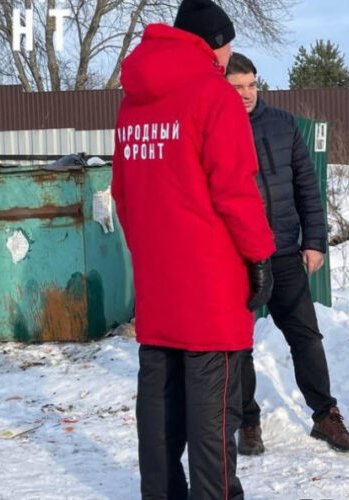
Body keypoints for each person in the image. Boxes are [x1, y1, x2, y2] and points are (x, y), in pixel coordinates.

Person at [112, 0, 275, 498]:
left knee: (159, 404)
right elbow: (235, 190)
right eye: (226, 46)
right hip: (210, 284)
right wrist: (259, 256)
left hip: (159, 281)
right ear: (213, 43)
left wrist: (150, 253)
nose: (229, 58)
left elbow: (122, 191)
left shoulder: (134, 101)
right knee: (212, 412)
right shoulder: (213, 95)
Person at [225, 53, 349, 455]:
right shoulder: (213, 126)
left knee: (306, 337)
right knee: (238, 344)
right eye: (237, 88)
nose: (247, 94)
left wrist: (315, 240)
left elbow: (307, 184)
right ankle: (248, 422)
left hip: (282, 249)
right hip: (235, 257)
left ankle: (325, 415)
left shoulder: (282, 125)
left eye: (252, 85)